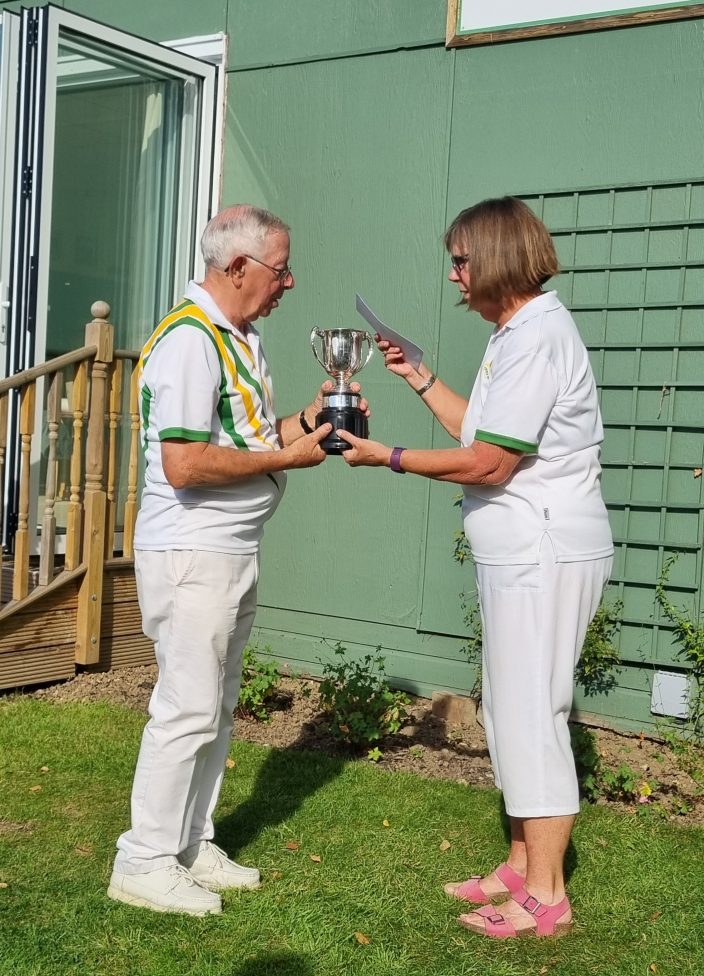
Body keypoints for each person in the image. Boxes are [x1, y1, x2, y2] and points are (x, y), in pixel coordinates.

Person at [337, 196, 613, 938]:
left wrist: (383, 455)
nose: (453, 275)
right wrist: (419, 376)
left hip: (542, 551)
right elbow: (482, 430)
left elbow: (489, 463)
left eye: (460, 260)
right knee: (508, 704)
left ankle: (547, 896)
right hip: (521, 552)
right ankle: (522, 865)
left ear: (494, 259)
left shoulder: (535, 338)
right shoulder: (514, 333)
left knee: (532, 713)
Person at [108, 204, 361, 916]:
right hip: (193, 551)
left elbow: (247, 440)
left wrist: (314, 419)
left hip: (229, 548)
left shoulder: (237, 338)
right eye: (281, 269)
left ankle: (190, 843)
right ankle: (144, 860)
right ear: (239, 267)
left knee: (215, 708)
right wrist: (289, 456)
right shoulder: (191, 341)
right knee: (186, 709)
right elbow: (186, 463)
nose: (290, 282)